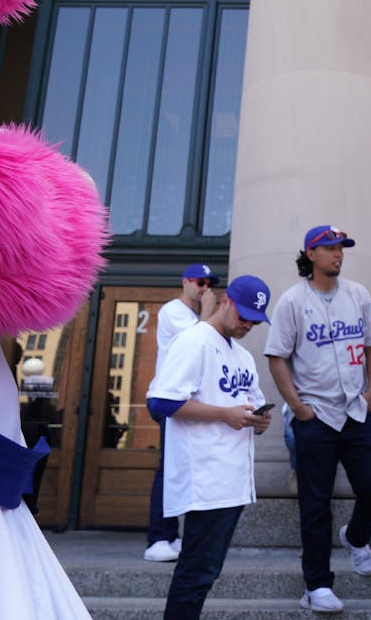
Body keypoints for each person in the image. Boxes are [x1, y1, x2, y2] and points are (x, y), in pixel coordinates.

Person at [265, 225, 371, 615]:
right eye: (330, 248)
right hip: (316, 416)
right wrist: (298, 407)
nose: (338, 254)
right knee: (314, 504)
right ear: (311, 254)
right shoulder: (291, 301)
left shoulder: (359, 295)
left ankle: (355, 535)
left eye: (341, 248)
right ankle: (317, 584)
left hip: (355, 411)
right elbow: (276, 357)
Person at [146, 276, 273, 620]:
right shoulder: (194, 340)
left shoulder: (243, 355)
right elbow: (161, 403)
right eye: (244, 314)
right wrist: (225, 415)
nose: (247, 324)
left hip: (231, 479)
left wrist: (257, 422)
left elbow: (247, 407)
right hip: (204, 476)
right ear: (226, 301)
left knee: (206, 573)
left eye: (254, 319)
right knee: (195, 573)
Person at [144, 263, 218, 562]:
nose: (205, 289)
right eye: (200, 283)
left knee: (182, 468)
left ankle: (171, 535)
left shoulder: (199, 317)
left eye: (209, 284)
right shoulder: (172, 311)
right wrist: (210, 312)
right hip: (168, 399)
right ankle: (158, 538)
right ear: (185, 282)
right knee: (170, 468)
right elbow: (198, 341)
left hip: (187, 402)